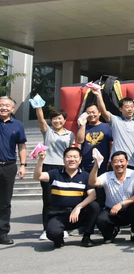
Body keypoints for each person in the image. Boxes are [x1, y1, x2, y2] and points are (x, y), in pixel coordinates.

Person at [33, 147, 99, 248]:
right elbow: (38, 176)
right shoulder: (55, 173)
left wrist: (79, 207)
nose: (72, 159)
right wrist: (41, 160)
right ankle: (59, 239)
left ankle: (86, 237)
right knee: (52, 233)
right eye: (68, 157)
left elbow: (93, 195)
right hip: (59, 214)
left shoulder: (85, 176)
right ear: (63, 159)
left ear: (80, 159)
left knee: (94, 206)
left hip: (78, 215)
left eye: (75, 157)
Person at [35, 105, 74, 240]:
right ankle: (46, 229)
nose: (57, 121)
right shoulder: (47, 131)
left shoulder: (70, 134)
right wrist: (38, 107)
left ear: (64, 120)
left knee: (64, 199)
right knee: (48, 199)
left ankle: (63, 227)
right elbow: (40, 119)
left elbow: (71, 152)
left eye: (59, 118)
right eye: (54, 119)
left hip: (64, 168)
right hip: (48, 166)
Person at [89, 151, 134, 243]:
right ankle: (111, 233)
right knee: (101, 219)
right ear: (111, 164)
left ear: (127, 162)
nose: (119, 164)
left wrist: (121, 204)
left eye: (121, 161)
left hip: (128, 210)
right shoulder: (107, 175)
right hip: (111, 211)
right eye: (115, 161)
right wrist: (96, 165)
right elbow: (92, 182)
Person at [91, 87, 134, 171]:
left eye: (132, 107)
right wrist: (99, 95)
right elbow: (103, 111)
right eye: (127, 107)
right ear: (120, 109)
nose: (130, 109)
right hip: (116, 163)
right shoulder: (115, 121)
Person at [0, 96, 27, 245]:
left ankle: (2, 233)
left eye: (6, 105)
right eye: (1, 105)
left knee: (5, 202)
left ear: (12, 108)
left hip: (9, 167)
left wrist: (23, 164)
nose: (3, 107)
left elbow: (21, 146)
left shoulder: (18, 125)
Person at [77, 104, 113, 176]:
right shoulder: (83, 127)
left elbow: (111, 144)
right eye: (88, 113)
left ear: (99, 113)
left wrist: (110, 160)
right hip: (86, 164)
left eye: (93, 112)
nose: (91, 115)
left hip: (103, 164)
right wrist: (83, 124)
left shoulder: (107, 127)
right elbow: (79, 140)